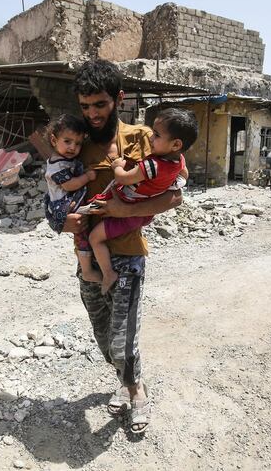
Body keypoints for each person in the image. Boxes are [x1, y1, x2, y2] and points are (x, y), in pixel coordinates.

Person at [62, 59, 184, 433]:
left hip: (128, 254)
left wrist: (119, 208)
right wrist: (60, 221)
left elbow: (176, 194)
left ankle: (137, 392)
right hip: (88, 259)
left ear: (118, 98)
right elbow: (55, 188)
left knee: (123, 338)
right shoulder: (75, 141)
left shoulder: (145, 138)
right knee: (103, 335)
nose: (93, 114)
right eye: (85, 106)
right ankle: (125, 381)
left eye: (99, 104)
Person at [88, 108, 195, 294]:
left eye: (157, 135)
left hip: (128, 212)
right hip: (143, 213)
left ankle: (108, 274)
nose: (151, 139)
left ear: (176, 144)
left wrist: (117, 166)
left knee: (94, 238)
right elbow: (183, 177)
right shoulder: (179, 161)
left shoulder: (152, 165)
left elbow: (123, 178)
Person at [42, 114, 101, 282]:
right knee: (82, 237)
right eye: (67, 141)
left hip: (70, 201)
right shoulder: (56, 167)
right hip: (63, 206)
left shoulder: (65, 159)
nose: (72, 147)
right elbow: (69, 185)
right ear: (54, 140)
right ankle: (88, 270)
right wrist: (88, 177)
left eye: (78, 143)